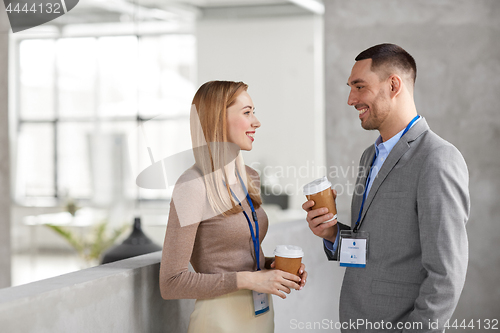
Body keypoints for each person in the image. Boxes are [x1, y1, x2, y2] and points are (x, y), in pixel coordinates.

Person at [303, 44, 469, 332]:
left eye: (359, 86)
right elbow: (371, 251)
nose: (350, 99)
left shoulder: (437, 158)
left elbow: (446, 275)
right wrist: (331, 233)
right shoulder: (370, 156)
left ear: (393, 85)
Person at [160, 80, 307, 333]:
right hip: (219, 320)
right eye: (247, 112)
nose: (256, 122)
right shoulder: (192, 186)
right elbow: (171, 283)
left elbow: (235, 256)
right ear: (218, 119)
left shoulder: (249, 176)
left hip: (260, 314)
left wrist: (274, 268)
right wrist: (249, 279)